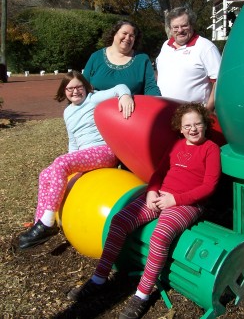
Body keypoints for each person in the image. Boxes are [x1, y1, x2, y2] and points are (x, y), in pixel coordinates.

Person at [67, 102, 221, 319]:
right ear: (180, 127)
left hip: (188, 203)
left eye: (198, 124)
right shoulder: (177, 145)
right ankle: (99, 278)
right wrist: (152, 191)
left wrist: (175, 200)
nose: (193, 129)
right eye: (188, 125)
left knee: (160, 236)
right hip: (160, 196)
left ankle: (142, 294)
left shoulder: (211, 149)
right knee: (120, 221)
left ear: (205, 124)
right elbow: (159, 172)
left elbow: (208, 187)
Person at [18, 70, 134, 250]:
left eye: (79, 87)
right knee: (45, 174)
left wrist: (125, 96)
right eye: (70, 88)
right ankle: (40, 223)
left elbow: (120, 87)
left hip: (104, 152)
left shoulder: (93, 99)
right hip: (84, 157)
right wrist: (71, 167)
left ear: (86, 88)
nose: (75, 91)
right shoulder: (67, 112)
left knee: (61, 163)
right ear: (64, 91)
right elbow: (73, 141)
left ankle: (47, 223)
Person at [156, 7, 221, 111]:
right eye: (175, 27)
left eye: (184, 26)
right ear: (170, 28)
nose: (180, 30)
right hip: (164, 111)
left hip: (193, 117)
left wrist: (208, 110)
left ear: (192, 25)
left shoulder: (206, 47)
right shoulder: (165, 46)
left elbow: (219, 81)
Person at [83, 20, 161, 95]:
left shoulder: (142, 59)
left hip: (131, 107)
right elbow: (83, 85)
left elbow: (150, 87)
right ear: (114, 34)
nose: (127, 38)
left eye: (131, 36)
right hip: (97, 107)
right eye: (124, 33)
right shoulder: (96, 57)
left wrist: (158, 103)